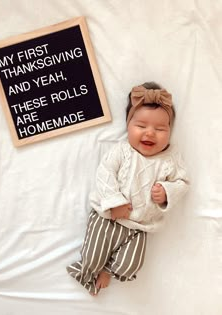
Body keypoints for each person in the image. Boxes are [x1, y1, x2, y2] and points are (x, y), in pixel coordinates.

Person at [66, 81, 189, 295]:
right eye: (141, 126)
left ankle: (108, 271)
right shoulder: (122, 151)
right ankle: (87, 272)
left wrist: (167, 192)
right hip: (108, 217)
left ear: (170, 130)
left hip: (139, 227)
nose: (150, 133)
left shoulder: (170, 158)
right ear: (128, 125)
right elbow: (104, 173)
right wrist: (115, 201)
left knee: (130, 265)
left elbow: (183, 182)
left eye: (160, 129)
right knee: (92, 256)